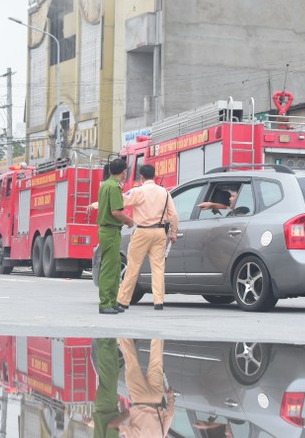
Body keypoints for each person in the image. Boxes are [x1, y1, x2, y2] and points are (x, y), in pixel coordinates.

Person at [117, 164, 178, 311]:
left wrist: (95, 205)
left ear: (141, 177)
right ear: (155, 176)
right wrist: (174, 233)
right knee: (158, 268)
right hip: (159, 232)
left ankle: (123, 300)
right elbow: (173, 215)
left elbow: (118, 201)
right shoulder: (165, 192)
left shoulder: (138, 191)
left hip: (142, 232)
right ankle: (158, 301)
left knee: (133, 267)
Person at [109, 338, 175, 437]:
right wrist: (126, 415)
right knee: (131, 361)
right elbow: (112, 426)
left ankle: (157, 329)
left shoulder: (161, 435)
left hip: (156, 398)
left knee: (157, 360)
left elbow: (169, 415)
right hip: (139, 397)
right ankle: (123, 333)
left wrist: (170, 397)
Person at [97, 158, 135, 314]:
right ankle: (106, 303)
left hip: (108, 231)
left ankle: (112, 302)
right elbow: (116, 212)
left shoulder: (105, 185)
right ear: (124, 171)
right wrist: (129, 221)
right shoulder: (114, 187)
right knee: (109, 268)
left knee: (114, 266)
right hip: (111, 230)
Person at [92, 338, 122, 438]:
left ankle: (104, 339)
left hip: (107, 404)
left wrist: (128, 414)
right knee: (113, 369)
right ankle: (111, 339)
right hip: (106, 405)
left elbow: (111, 426)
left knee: (108, 367)